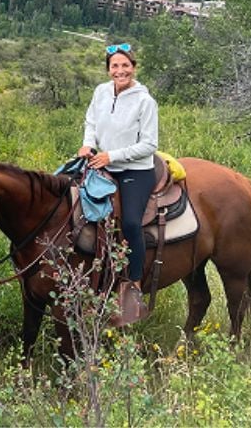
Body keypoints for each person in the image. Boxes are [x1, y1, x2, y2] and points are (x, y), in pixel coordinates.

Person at [77, 42, 158, 317]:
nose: (120, 71)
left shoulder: (145, 102)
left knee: (131, 222)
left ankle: (134, 283)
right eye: (115, 66)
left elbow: (149, 145)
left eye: (125, 65)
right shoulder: (101, 92)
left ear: (134, 68)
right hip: (101, 162)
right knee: (75, 208)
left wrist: (112, 156)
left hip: (135, 170)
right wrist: (88, 144)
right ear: (108, 69)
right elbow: (90, 122)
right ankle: (90, 277)